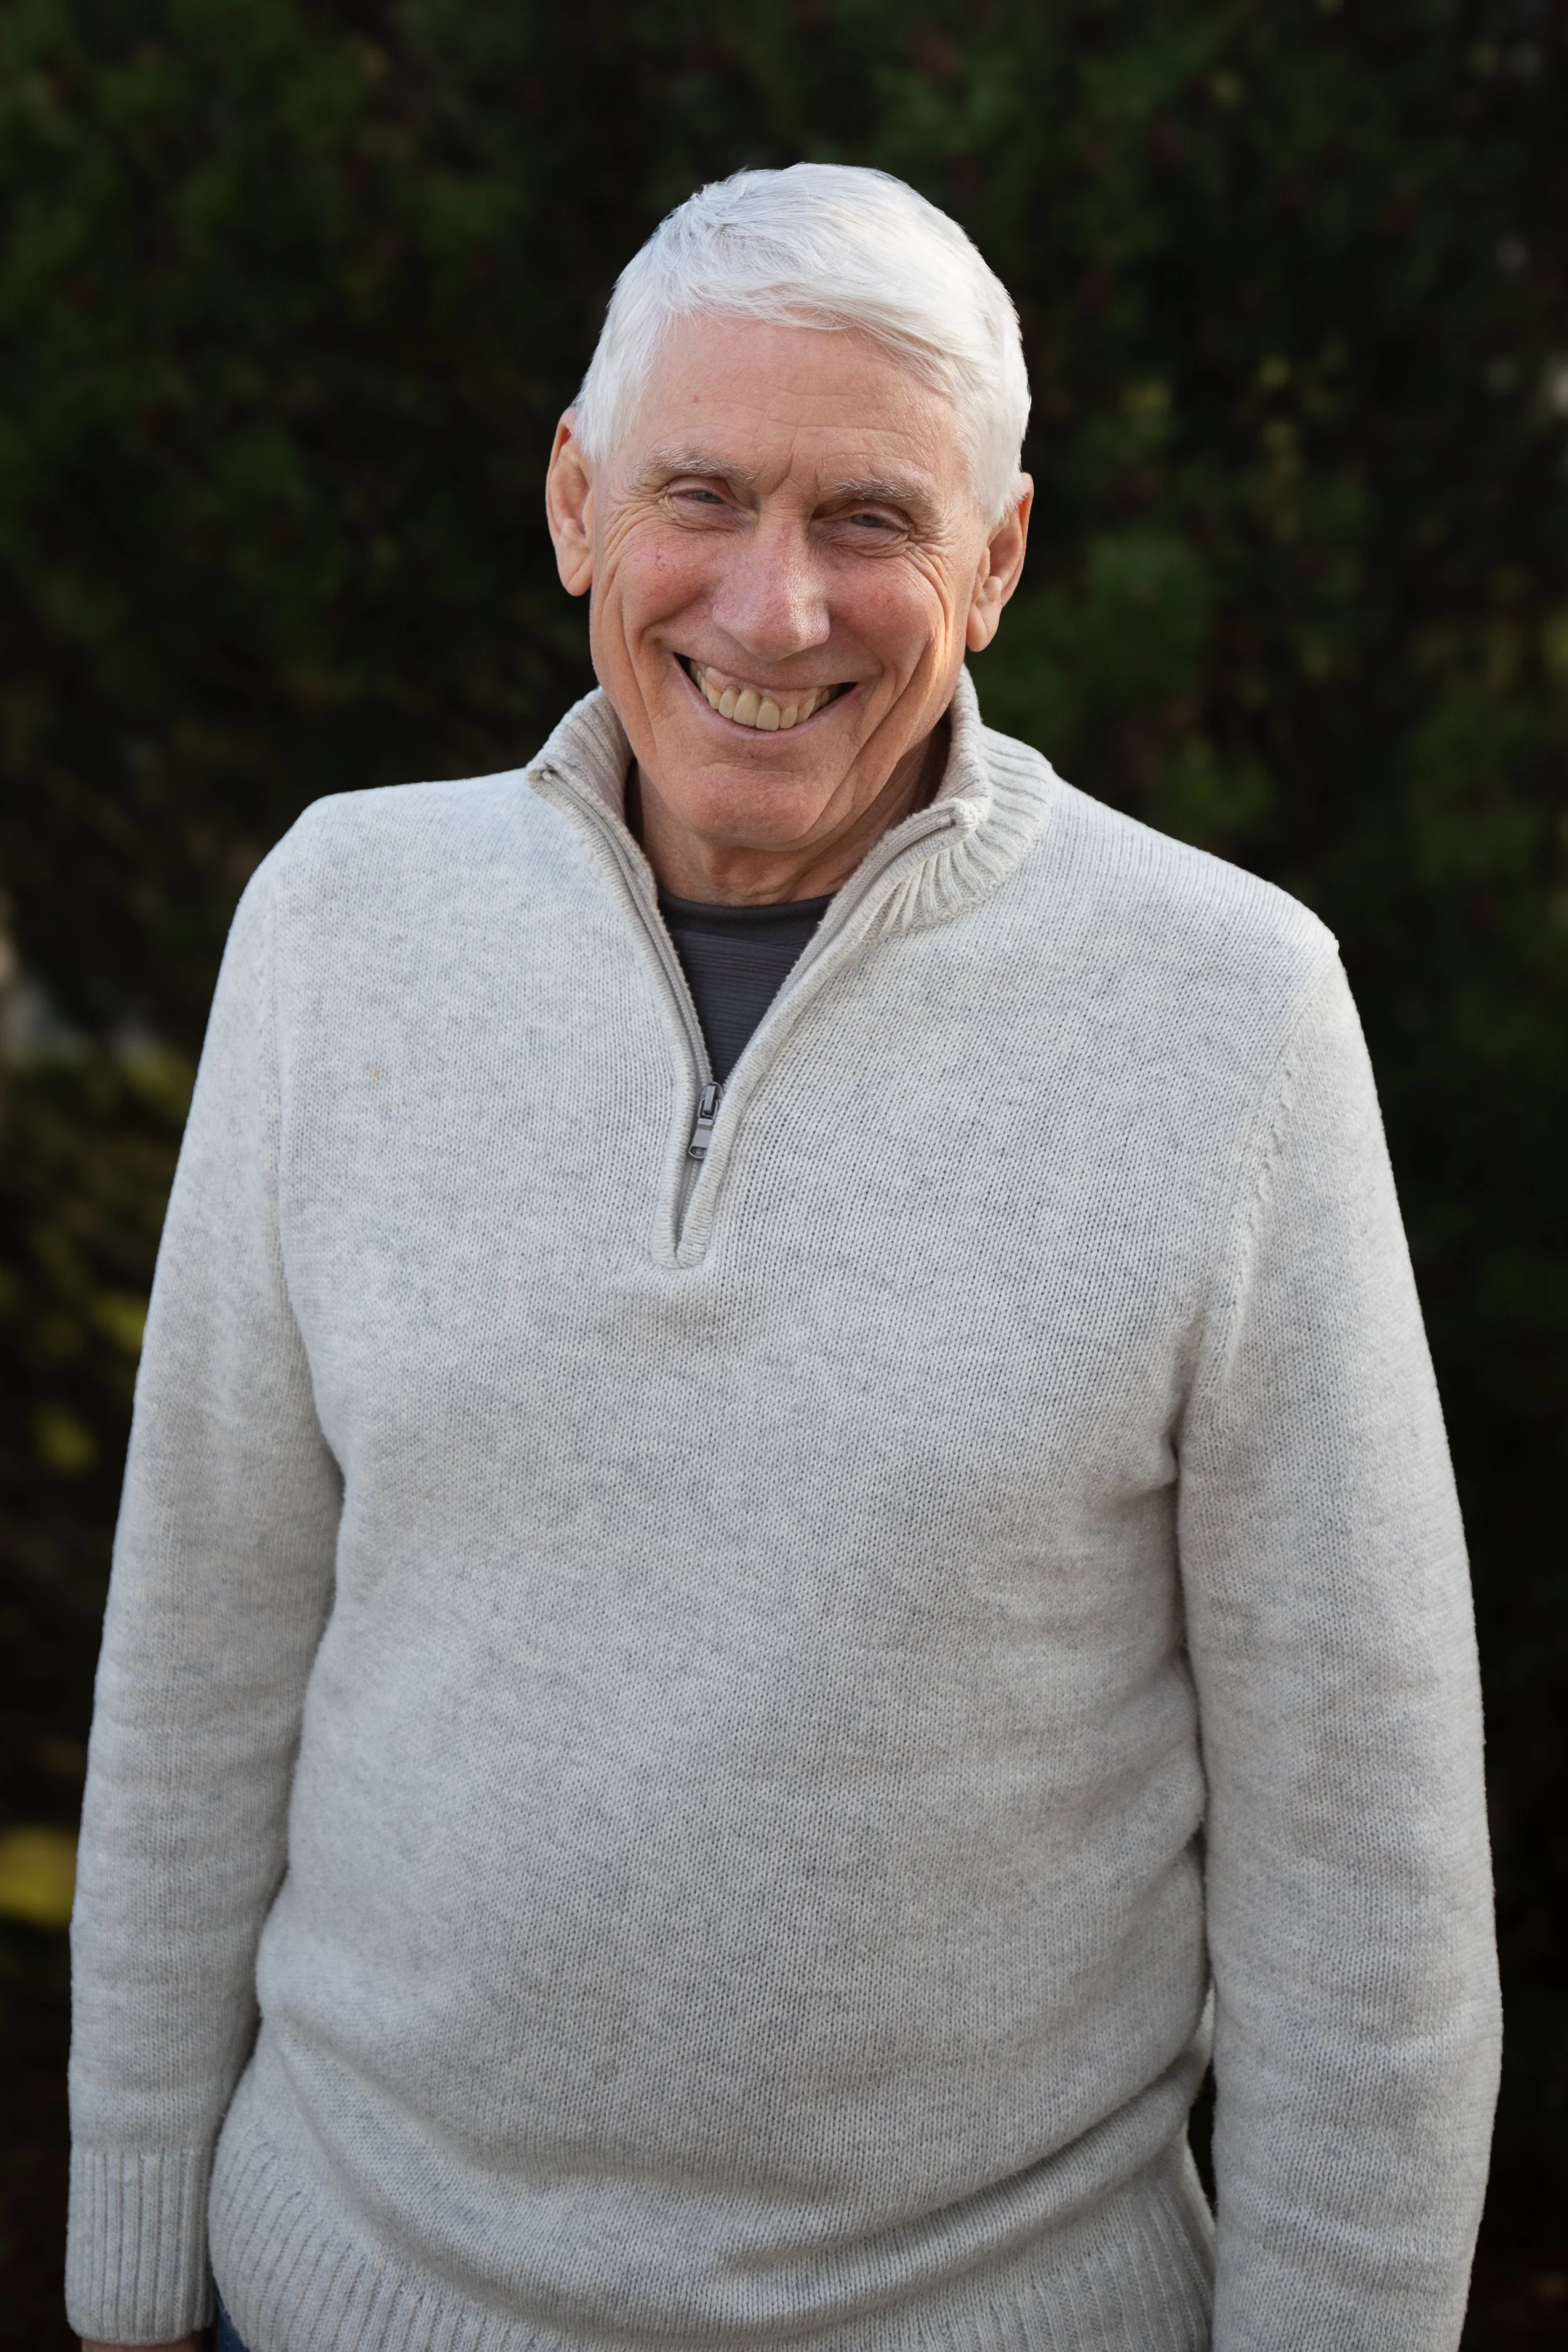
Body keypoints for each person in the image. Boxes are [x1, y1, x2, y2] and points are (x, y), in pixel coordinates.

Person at [68, 164, 1498, 2352]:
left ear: (995, 561)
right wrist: (127, 2261)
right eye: (701, 495)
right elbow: (201, 1637)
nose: (772, 605)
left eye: (870, 520)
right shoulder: (338, 921)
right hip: (333, 2291)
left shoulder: (1229, 1011)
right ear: (574, 501)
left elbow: (1362, 1862)